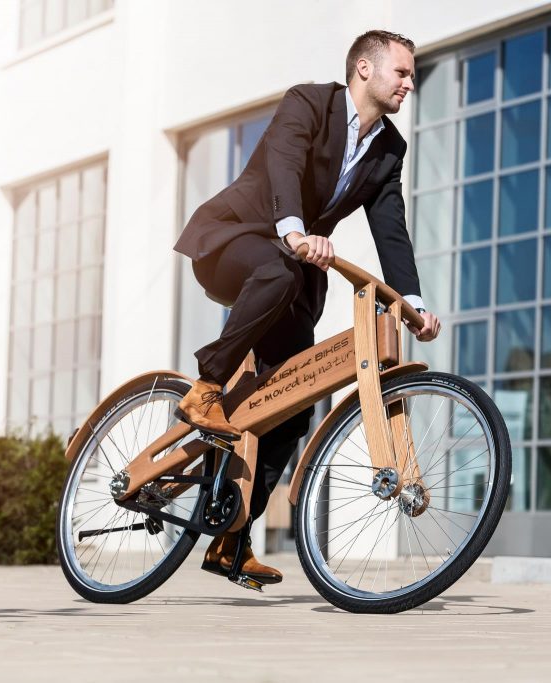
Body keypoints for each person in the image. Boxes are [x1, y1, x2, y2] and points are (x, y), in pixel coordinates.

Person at [172, 30, 442, 584]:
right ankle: (205, 386)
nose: (410, 83)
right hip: (237, 241)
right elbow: (285, 168)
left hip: (293, 277)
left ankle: (231, 540)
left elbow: (391, 226)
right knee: (274, 268)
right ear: (364, 69)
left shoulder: (389, 147)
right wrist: (294, 231)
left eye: (411, 75)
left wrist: (412, 303)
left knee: (292, 402)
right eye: (403, 72)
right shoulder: (307, 103)